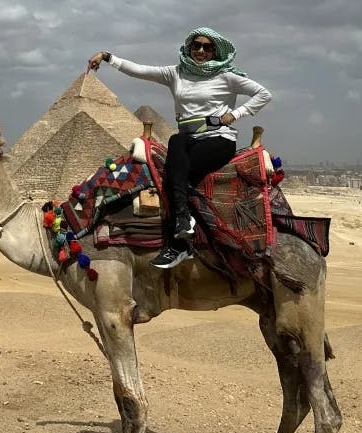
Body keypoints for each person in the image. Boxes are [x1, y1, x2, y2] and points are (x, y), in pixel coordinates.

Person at [87, 27, 272, 270]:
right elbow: (141, 71)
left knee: (176, 175)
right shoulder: (176, 73)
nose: (201, 50)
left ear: (215, 51)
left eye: (207, 47)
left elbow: (263, 93)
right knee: (175, 144)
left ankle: (179, 242)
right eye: (197, 45)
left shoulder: (227, 77)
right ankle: (184, 223)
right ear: (189, 47)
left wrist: (235, 114)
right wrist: (107, 56)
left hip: (218, 138)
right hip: (186, 138)